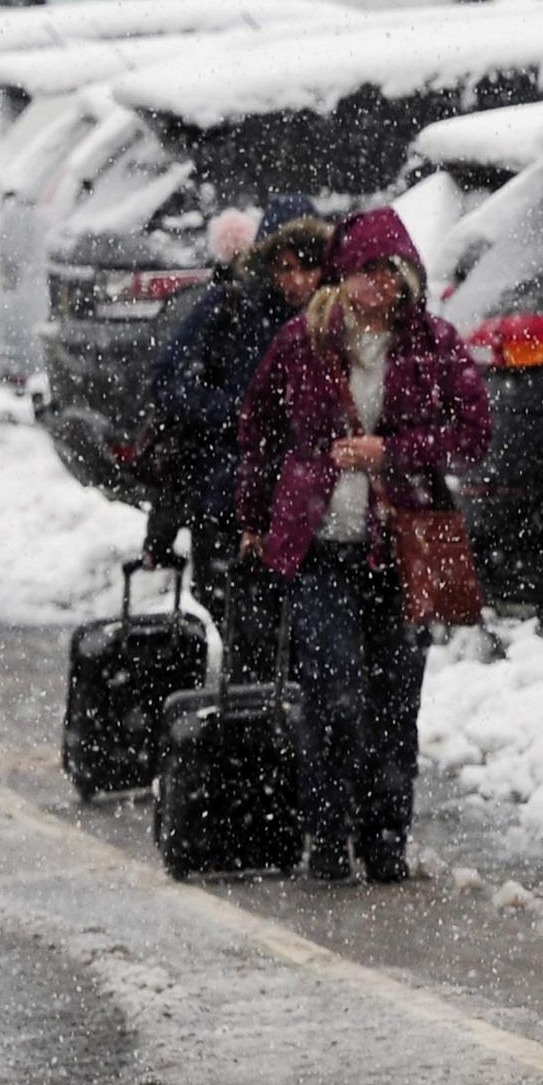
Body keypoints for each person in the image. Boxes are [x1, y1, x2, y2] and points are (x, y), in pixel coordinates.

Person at [233, 207, 488, 884]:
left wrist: (392, 452)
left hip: (403, 545)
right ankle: (325, 834)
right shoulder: (302, 342)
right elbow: (259, 428)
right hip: (322, 546)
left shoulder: (433, 343)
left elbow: (473, 433)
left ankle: (384, 841)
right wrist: (254, 518)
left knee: (395, 700)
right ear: (342, 277)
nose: (381, 285)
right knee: (332, 691)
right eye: (369, 271)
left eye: (393, 272)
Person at [141, 199, 331, 639]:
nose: (296, 280)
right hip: (227, 493)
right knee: (239, 611)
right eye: (284, 266)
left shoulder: (335, 319)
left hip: (307, 502)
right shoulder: (230, 307)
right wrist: (239, 416)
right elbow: (169, 383)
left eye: (309, 265)